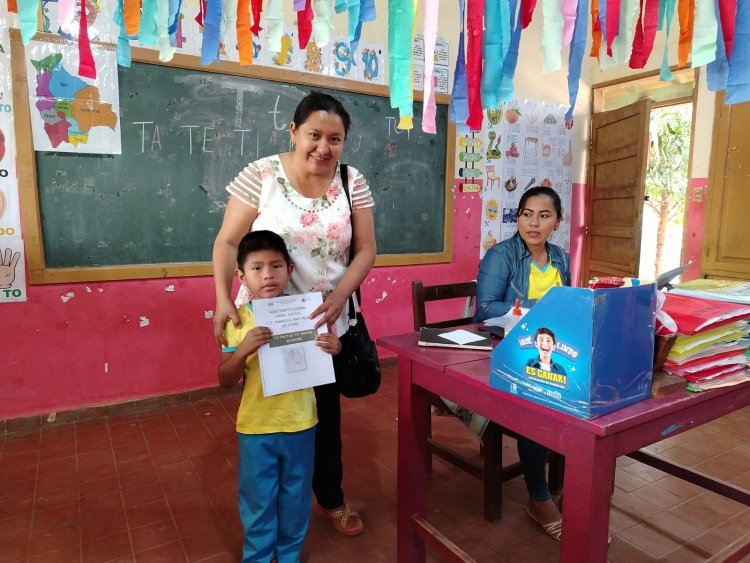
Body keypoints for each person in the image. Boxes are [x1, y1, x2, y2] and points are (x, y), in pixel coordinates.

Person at [213, 91, 376, 536]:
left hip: (325, 320)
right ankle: (271, 502)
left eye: (335, 138)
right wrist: (222, 298)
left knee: (325, 415)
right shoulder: (261, 175)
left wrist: (341, 295)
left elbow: (366, 249)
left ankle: (330, 498)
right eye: (314, 135)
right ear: (294, 131)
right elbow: (228, 242)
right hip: (269, 322)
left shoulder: (351, 180)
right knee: (274, 413)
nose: (324, 148)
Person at [219, 230, 342, 561]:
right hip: (257, 428)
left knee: (296, 496)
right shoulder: (236, 321)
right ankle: (258, 556)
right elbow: (225, 379)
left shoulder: (308, 313)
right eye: (257, 268)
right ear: (241, 276)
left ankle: (289, 555)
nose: (268, 275)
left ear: (289, 269)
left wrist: (334, 346)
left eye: (275, 266)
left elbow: (323, 356)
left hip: (302, 423)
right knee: (258, 498)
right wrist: (243, 349)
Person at [474, 186, 571, 541]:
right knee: (538, 399)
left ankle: (571, 489)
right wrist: (536, 310)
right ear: (518, 217)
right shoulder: (502, 255)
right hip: (506, 350)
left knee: (577, 393)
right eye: (527, 214)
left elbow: (568, 306)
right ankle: (539, 497)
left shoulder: (561, 257)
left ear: (557, 222)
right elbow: (484, 309)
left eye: (544, 216)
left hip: (548, 350)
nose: (533, 223)